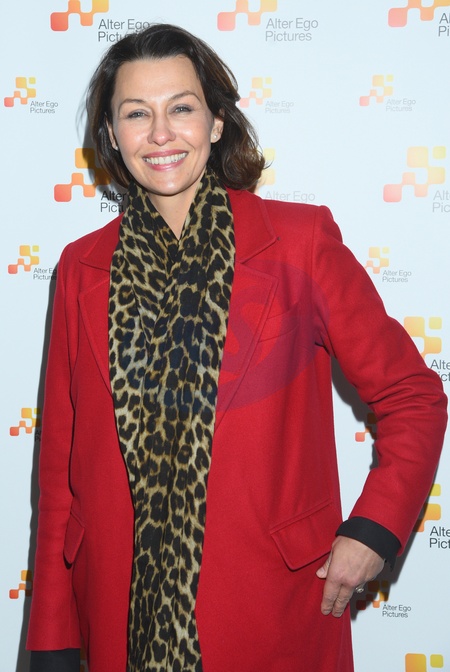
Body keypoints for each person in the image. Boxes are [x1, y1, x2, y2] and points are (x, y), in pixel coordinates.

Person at [26, 23, 447, 672]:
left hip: (273, 609)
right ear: (111, 134)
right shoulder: (80, 267)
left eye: (181, 108)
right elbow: (61, 475)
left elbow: (412, 396)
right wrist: (53, 638)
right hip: (116, 614)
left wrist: (374, 530)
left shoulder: (299, 243)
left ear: (217, 122)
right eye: (136, 113)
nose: (160, 134)